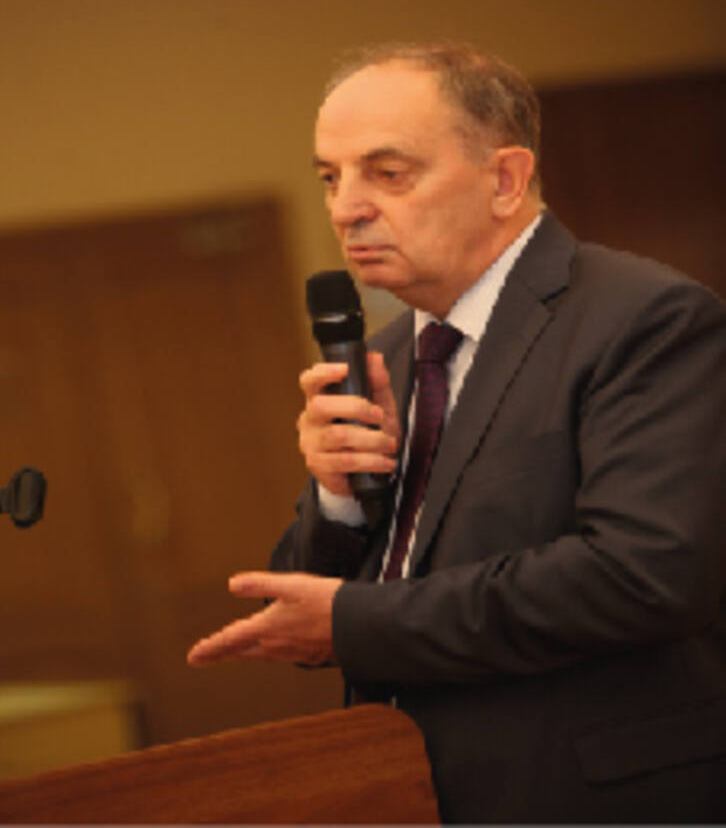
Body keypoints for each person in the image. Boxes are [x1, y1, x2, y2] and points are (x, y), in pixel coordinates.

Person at [188, 43, 726, 823]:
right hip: (413, 793)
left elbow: (643, 576)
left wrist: (351, 622)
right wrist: (338, 501)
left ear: (504, 181)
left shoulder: (644, 320)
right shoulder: (385, 358)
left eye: (387, 173)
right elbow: (314, 602)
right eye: (331, 178)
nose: (345, 208)